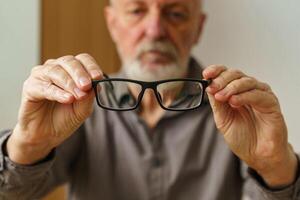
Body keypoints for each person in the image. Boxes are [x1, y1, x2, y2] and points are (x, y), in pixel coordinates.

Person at [0, 0, 299, 199]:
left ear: (198, 28)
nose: (155, 31)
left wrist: (275, 166)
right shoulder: (74, 106)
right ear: (112, 23)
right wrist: (27, 145)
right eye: (136, 11)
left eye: (176, 13)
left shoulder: (241, 113)